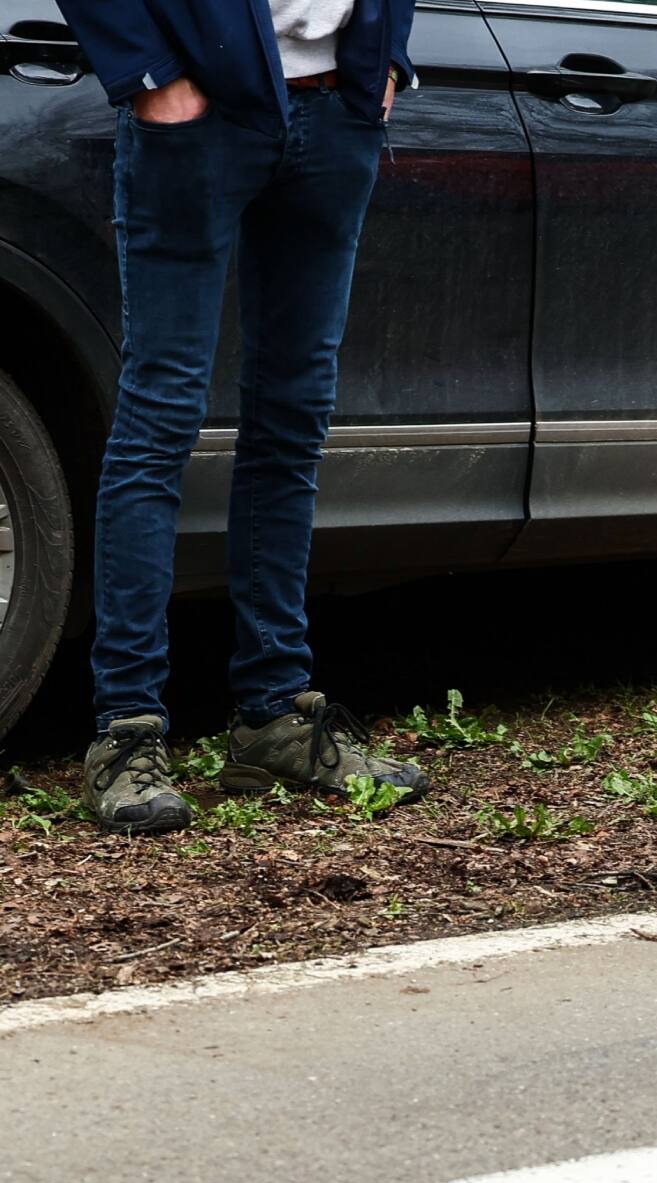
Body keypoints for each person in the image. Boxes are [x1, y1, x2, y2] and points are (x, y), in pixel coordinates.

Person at [58, 0, 428, 833]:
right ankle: (126, 732)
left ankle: (274, 716)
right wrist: (150, 78)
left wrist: (386, 61)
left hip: (339, 107)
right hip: (200, 115)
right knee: (160, 419)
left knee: (292, 422)